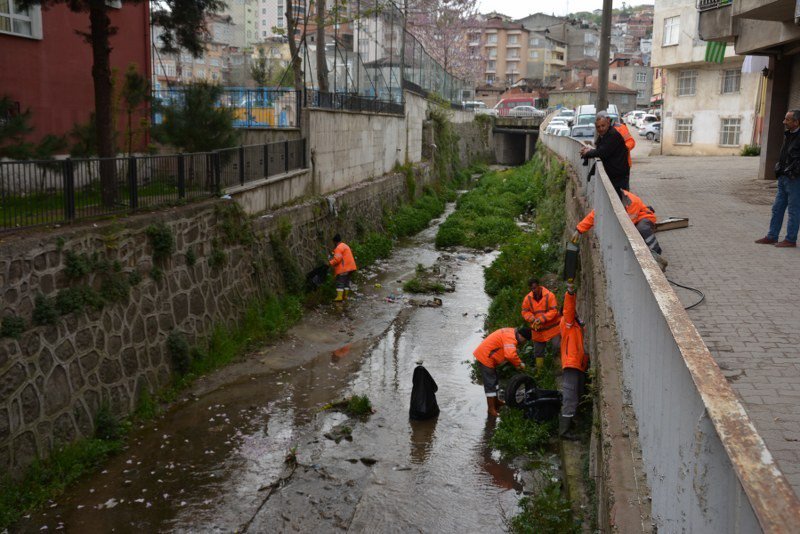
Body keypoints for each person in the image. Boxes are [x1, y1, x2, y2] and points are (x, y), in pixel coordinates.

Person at [572, 189, 668, 271]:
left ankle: (656, 253)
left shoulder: (632, 202)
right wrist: (579, 229)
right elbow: (594, 215)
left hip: (644, 218)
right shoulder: (610, 200)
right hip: (632, 220)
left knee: (641, 229)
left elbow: (628, 225)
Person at [756, 110, 800, 248]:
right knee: (777, 208)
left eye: (787, 119)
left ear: (796, 122)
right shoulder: (789, 135)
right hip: (783, 178)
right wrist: (779, 169)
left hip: (795, 180)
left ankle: (790, 239)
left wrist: (793, 171)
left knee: (794, 210)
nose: (784, 122)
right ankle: (772, 236)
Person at [473, 327, 531, 417]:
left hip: (489, 356)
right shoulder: (511, 338)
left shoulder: (512, 332)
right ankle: (491, 409)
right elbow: (510, 355)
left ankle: (496, 401)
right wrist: (520, 364)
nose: (524, 342)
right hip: (486, 357)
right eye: (525, 340)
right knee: (490, 384)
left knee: (495, 381)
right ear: (521, 336)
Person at [558, 282, 590, 439]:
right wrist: (570, 292)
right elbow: (569, 309)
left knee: (577, 395)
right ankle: (564, 431)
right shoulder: (567, 323)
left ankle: (572, 423)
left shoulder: (577, 327)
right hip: (572, 364)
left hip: (578, 365)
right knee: (570, 397)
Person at [579, 111, 631, 194]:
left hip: (619, 175)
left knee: (620, 201)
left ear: (608, 123)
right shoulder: (605, 135)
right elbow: (600, 150)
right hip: (615, 174)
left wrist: (587, 152)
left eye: (603, 126)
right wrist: (588, 151)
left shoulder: (612, 135)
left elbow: (602, 152)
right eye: (598, 127)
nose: (601, 128)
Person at [521, 278, 561, 370]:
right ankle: (540, 371)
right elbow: (525, 312)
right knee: (538, 352)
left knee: (557, 347)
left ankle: (559, 368)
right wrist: (532, 319)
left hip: (552, 328)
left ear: (539, 286)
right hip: (538, 329)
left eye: (535, 288)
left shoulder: (549, 296)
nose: (534, 290)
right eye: (532, 289)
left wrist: (541, 319)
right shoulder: (528, 299)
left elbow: (554, 310)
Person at [329, 234, 357, 301]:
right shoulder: (345, 245)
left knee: (340, 282)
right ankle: (345, 296)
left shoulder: (338, 248)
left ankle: (339, 297)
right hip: (351, 268)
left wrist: (330, 263)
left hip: (344, 268)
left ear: (335, 242)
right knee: (346, 282)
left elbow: (337, 259)